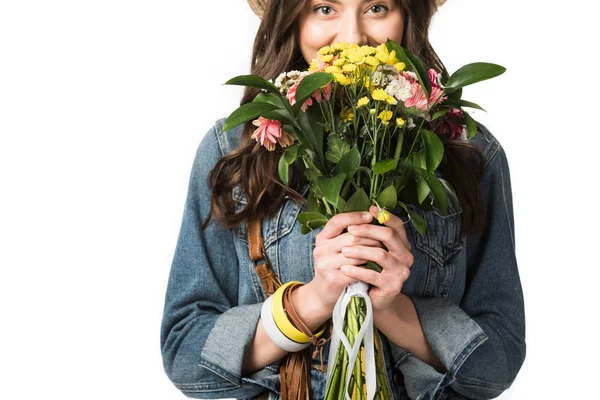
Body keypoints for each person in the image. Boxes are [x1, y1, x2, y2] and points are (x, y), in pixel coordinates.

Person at [159, 0, 526, 399]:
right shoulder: (233, 151)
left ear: (409, 16)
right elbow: (185, 354)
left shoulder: (469, 154)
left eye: (377, 7)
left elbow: (498, 363)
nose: (353, 38)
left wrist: (393, 309)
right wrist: (313, 301)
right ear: (292, 19)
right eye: (324, 9)